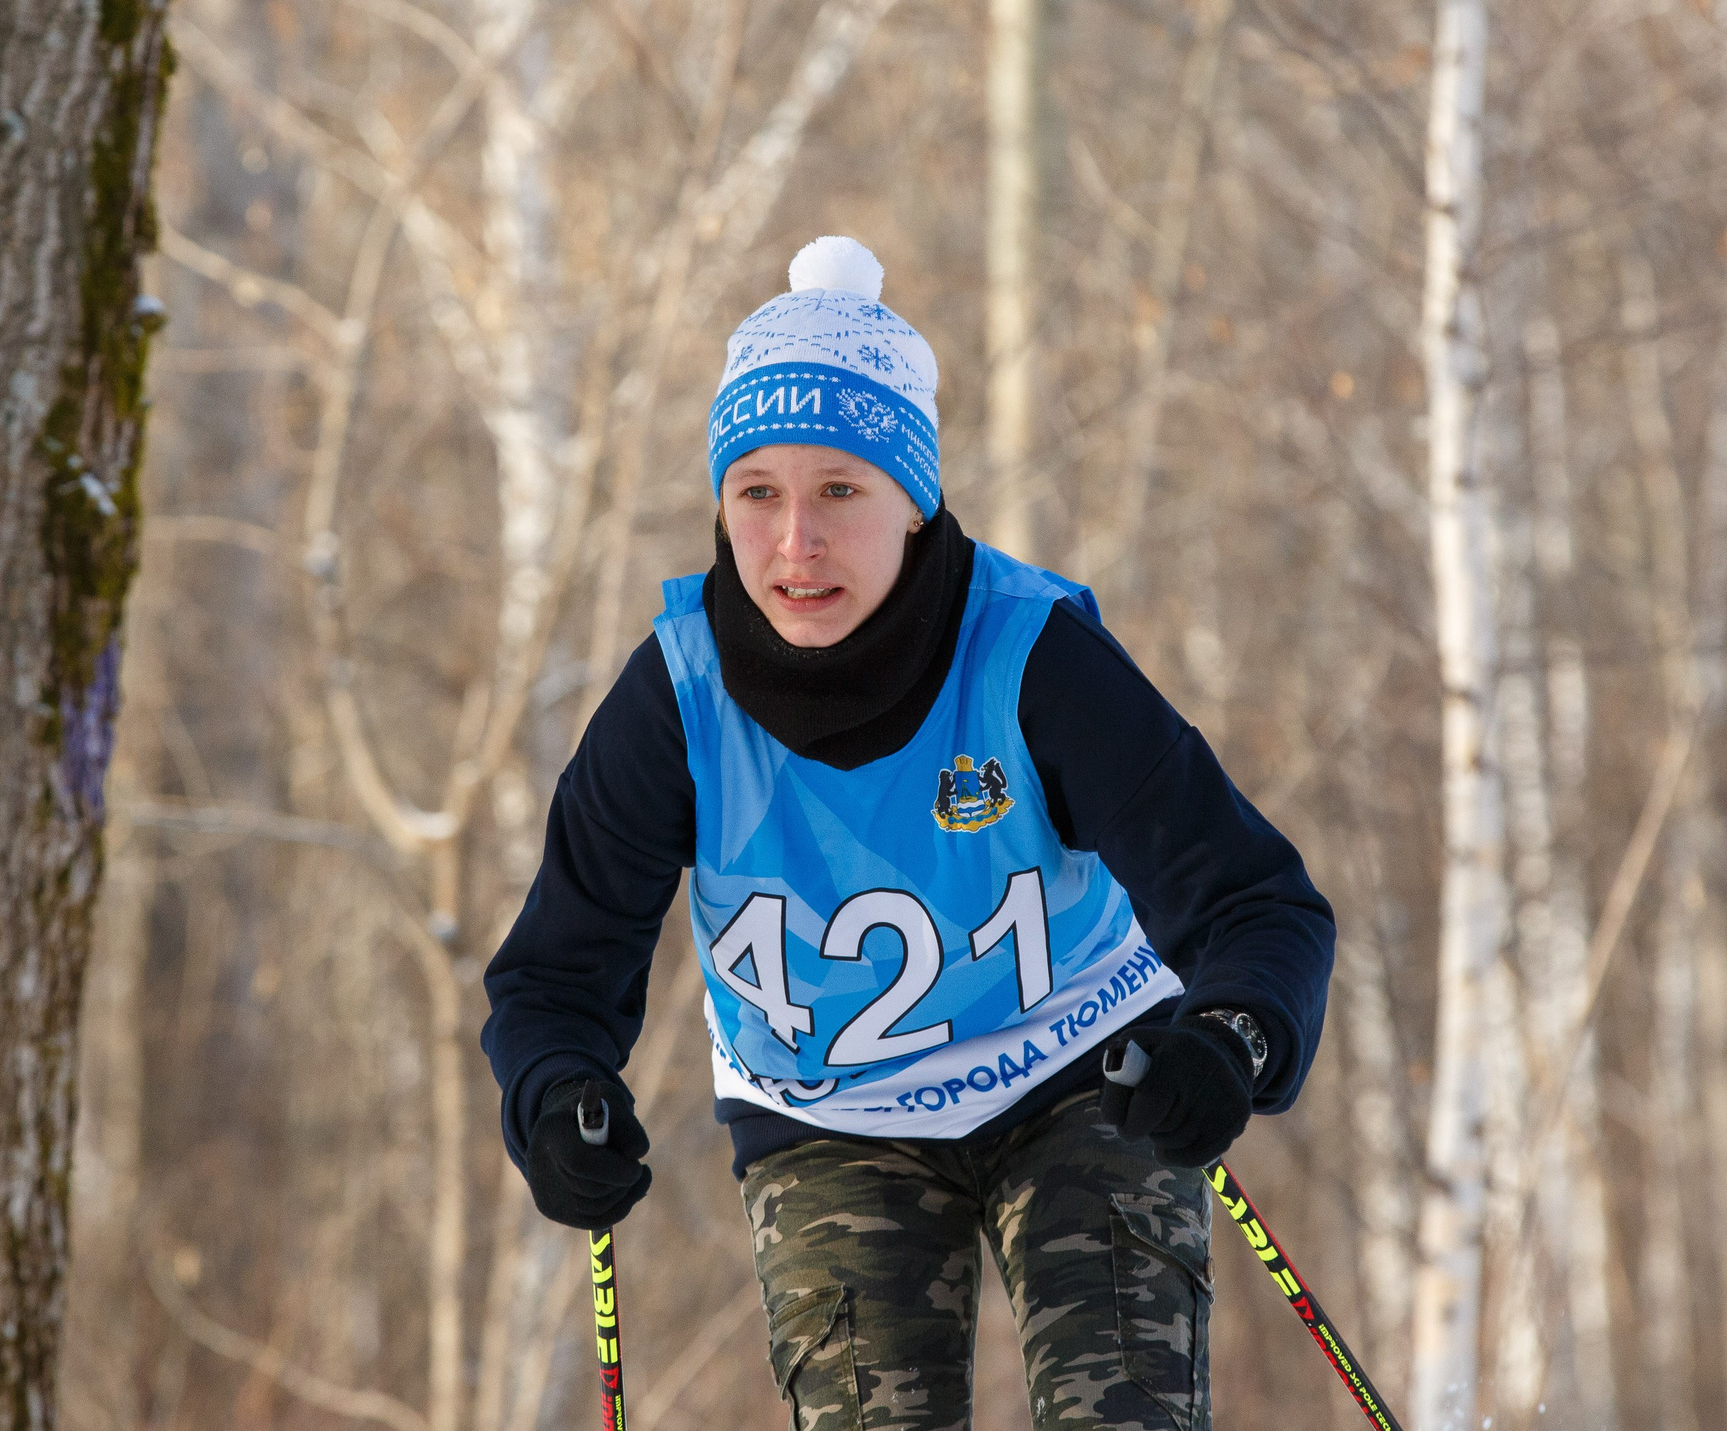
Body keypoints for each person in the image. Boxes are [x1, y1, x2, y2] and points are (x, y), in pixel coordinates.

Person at [479, 236, 1335, 1431]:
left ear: (912, 496)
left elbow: (1258, 906)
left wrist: (1228, 1042)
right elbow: (553, 977)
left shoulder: (1032, 658)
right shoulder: (674, 701)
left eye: (840, 489)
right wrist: (554, 1096)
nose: (796, 545)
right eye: (756, 494)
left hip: (1081, 1072)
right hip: (829, 1118)